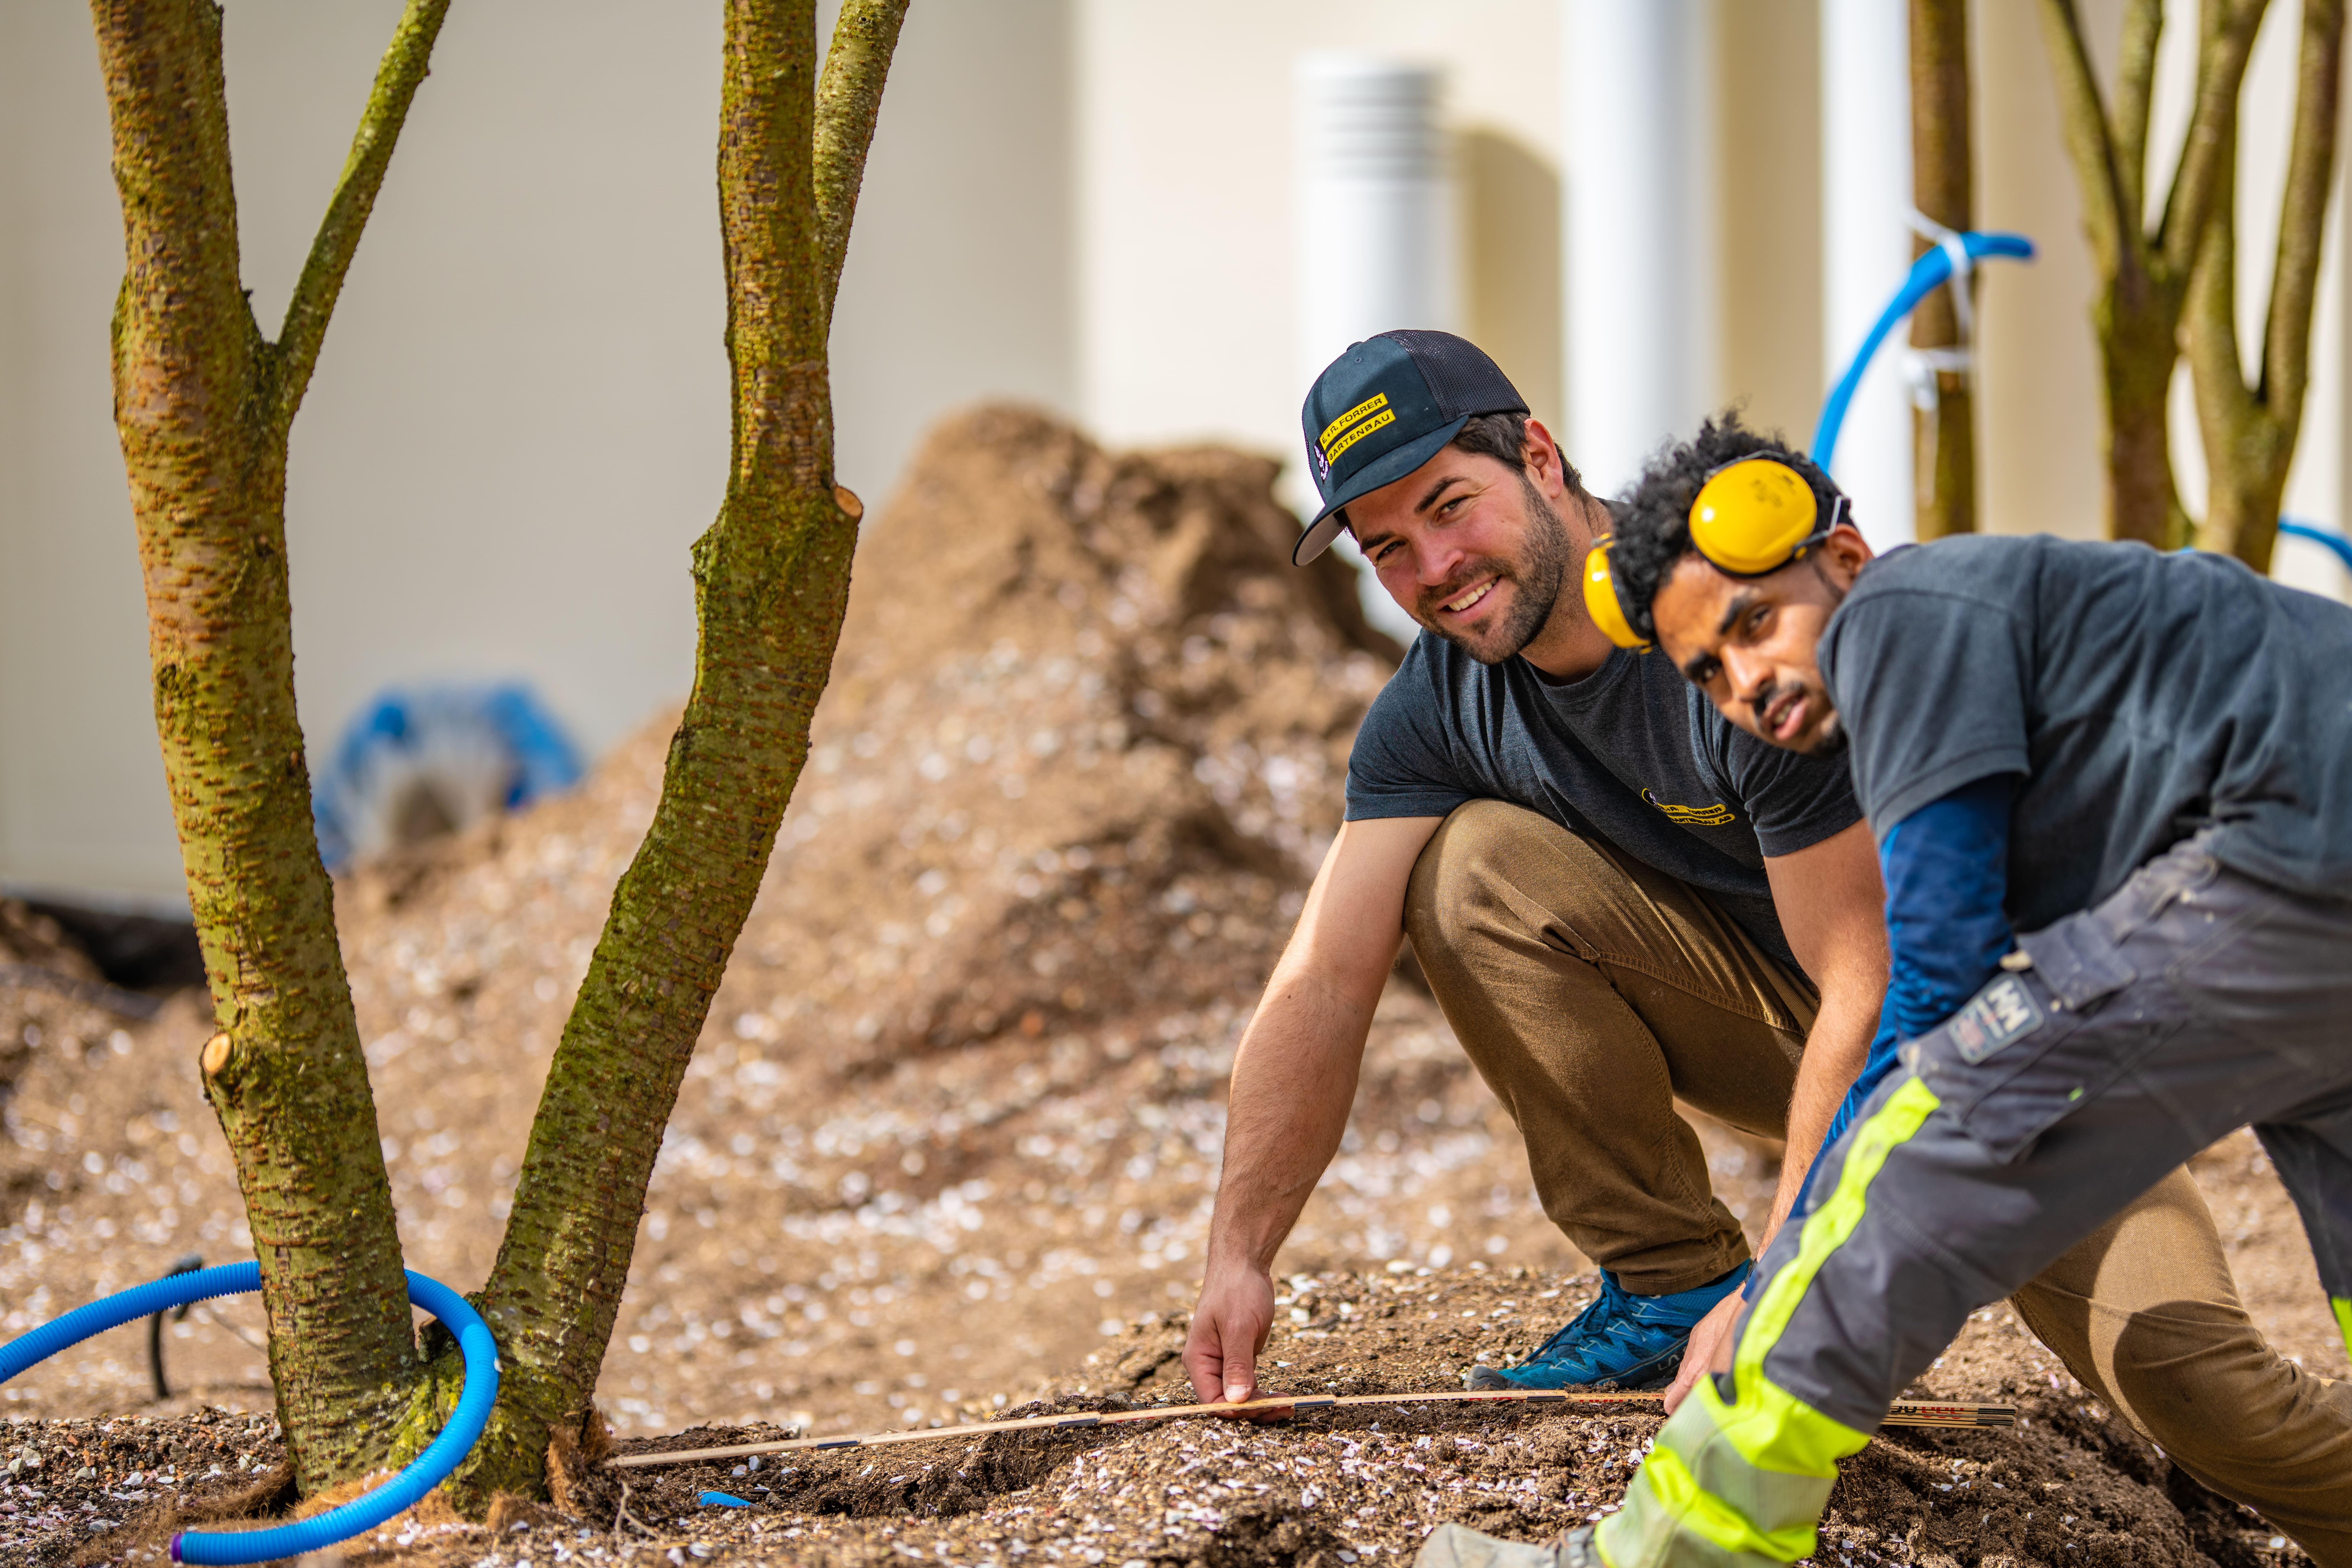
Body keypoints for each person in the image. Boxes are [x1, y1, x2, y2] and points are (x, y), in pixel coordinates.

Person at [1188, 342, 2352, 1560]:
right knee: (1473, 864)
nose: (1433, 569)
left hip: (2005, 1039)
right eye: (1387, 548)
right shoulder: (1450, 705)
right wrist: (1240, 1251)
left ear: (1535, 453)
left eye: (1446, 506)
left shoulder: (1777, 614)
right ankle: (1671, 1286)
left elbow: (1900, 983)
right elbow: (1324, 972)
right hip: (1863, 1031)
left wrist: (1791, 1270)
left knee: (2202, 1394)